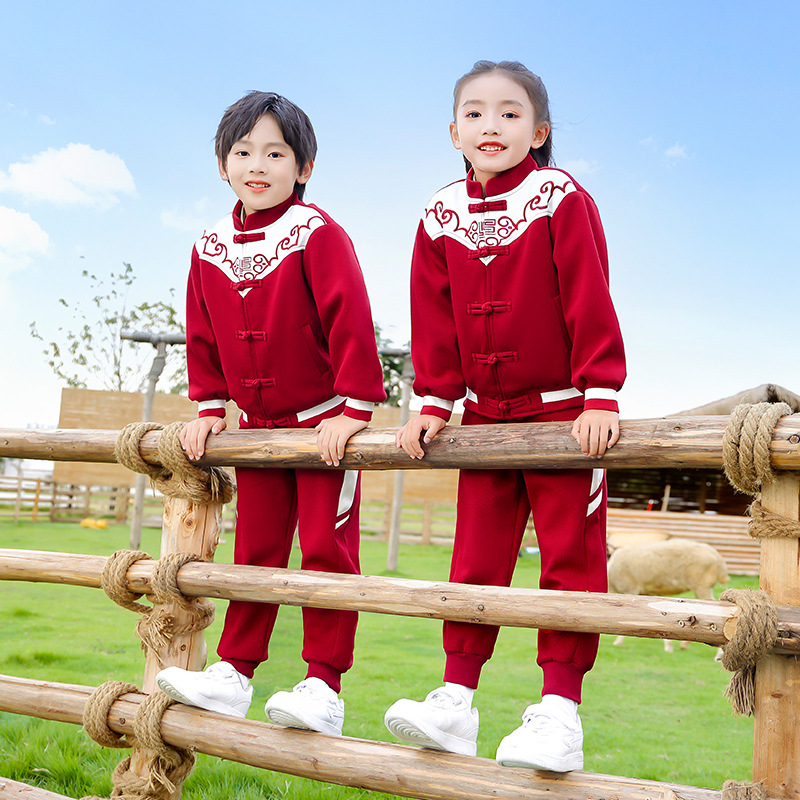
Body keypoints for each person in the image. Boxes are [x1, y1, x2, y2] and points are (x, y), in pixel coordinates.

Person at [383, 61, 625, 772]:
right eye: (477, 113)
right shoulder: (438, 213)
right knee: (474, 564)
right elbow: (430, 313)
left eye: (511, 114)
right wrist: (433, 400)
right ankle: (455, 701)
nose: (493, 125)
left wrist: (600, 392)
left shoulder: (559, 197)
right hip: (482, 423)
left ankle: (560, 714)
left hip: (563, 417)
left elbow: (587, 289)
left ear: (540, 131)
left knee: (571, 563)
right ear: (454, 130)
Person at [156, 91, 386, 735]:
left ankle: (324, 684)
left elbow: (349, 317)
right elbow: (199, 329)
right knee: (254, 551)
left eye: (276, 152)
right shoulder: (208, 245)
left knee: (324, 548)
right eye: (243, 151)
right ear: (223, 165)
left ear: (303, 167)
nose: (258, 164)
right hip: (255, 432)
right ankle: (234, 672)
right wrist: (209, 404)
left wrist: (354, 407)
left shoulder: (318, 234)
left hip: (323, 425)